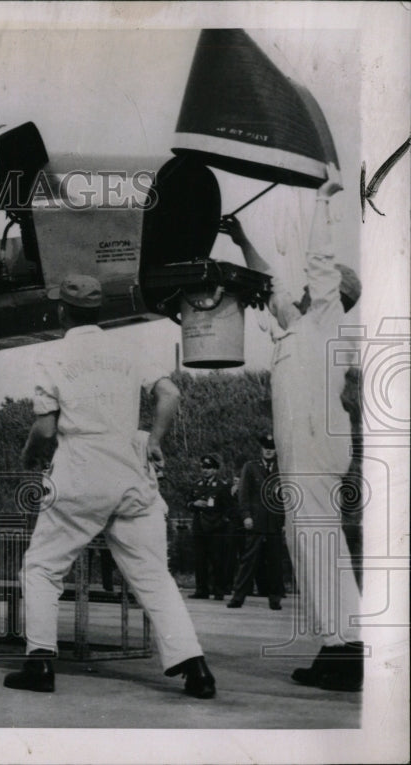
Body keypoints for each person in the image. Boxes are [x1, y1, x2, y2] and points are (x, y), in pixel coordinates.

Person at [3, 273, 215, 699]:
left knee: (42, 567)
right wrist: (153, 440)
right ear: (100, 310)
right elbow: (170, 394)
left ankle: (40, 662)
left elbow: (45, 430)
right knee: (154, 575)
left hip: (80, 468)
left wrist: (29, 457)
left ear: (62, 311)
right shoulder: (128, 346)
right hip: (130, 468)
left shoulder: (52, 355)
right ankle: (196, 669)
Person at [219, 164, 363, 691]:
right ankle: (344, 646)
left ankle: (340, 652)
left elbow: (319, 263)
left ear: (333, 296)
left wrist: (323, 201)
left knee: (312, 537)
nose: (301, 289)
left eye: (315, 287)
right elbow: (272, 282)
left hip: (315, 445)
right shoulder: (300, 323)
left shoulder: (325, 319)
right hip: (311, 447)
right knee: (315, 540)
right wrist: (241, 239)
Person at [227, 435, 286, 609]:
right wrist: (246, 516)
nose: (268, 450)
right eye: (266, 447)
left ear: (276, 450)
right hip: (256, 522)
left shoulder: (283, 468)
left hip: (275, 522)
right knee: (249, 561)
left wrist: (285, 522)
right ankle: (238, 597)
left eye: (272, 447)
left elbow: (287, 498)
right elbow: (243, 495)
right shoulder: (251, 467)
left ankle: (275, 598)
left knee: (275, 562)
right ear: (261, 449)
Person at [187, 455, 234, 600]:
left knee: (217, 559)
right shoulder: (197, 484)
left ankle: (218, 590)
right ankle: (202, 590)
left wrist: (221, 523)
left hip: (215, 528)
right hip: (199, 527)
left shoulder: (222, 486)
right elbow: (187, 503)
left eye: (209, 468)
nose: (206, 471)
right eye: (204, 467)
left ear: (215, 470)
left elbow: (230, 509)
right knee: (200, 560)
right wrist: (194, 504)